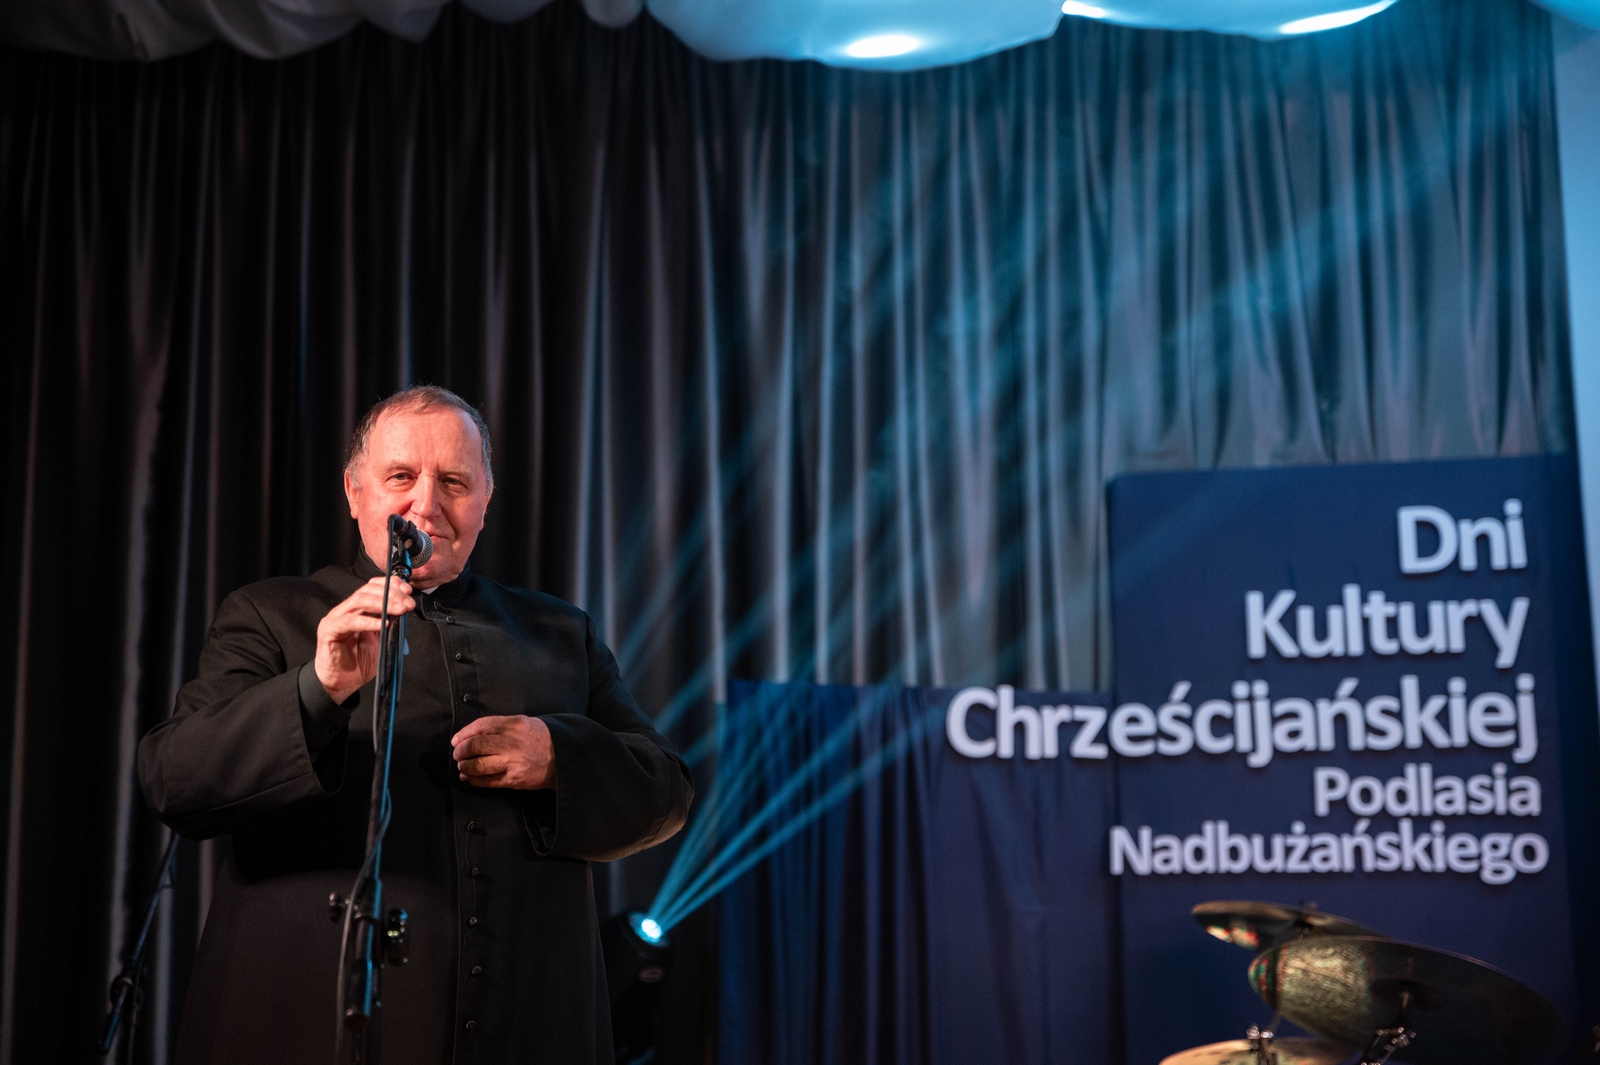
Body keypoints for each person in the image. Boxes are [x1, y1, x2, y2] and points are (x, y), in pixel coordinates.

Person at [138, 386, 692, 1065]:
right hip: (304, 1023)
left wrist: (560, 757)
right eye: (400, 476)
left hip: (528, 1028)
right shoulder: (271, 614)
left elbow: (667, 790)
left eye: (455, 481)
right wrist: (317, 688)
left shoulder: (559, 633)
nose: (426, 505)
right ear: (354, 492)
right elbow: (176, 779)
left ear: (486, 500)